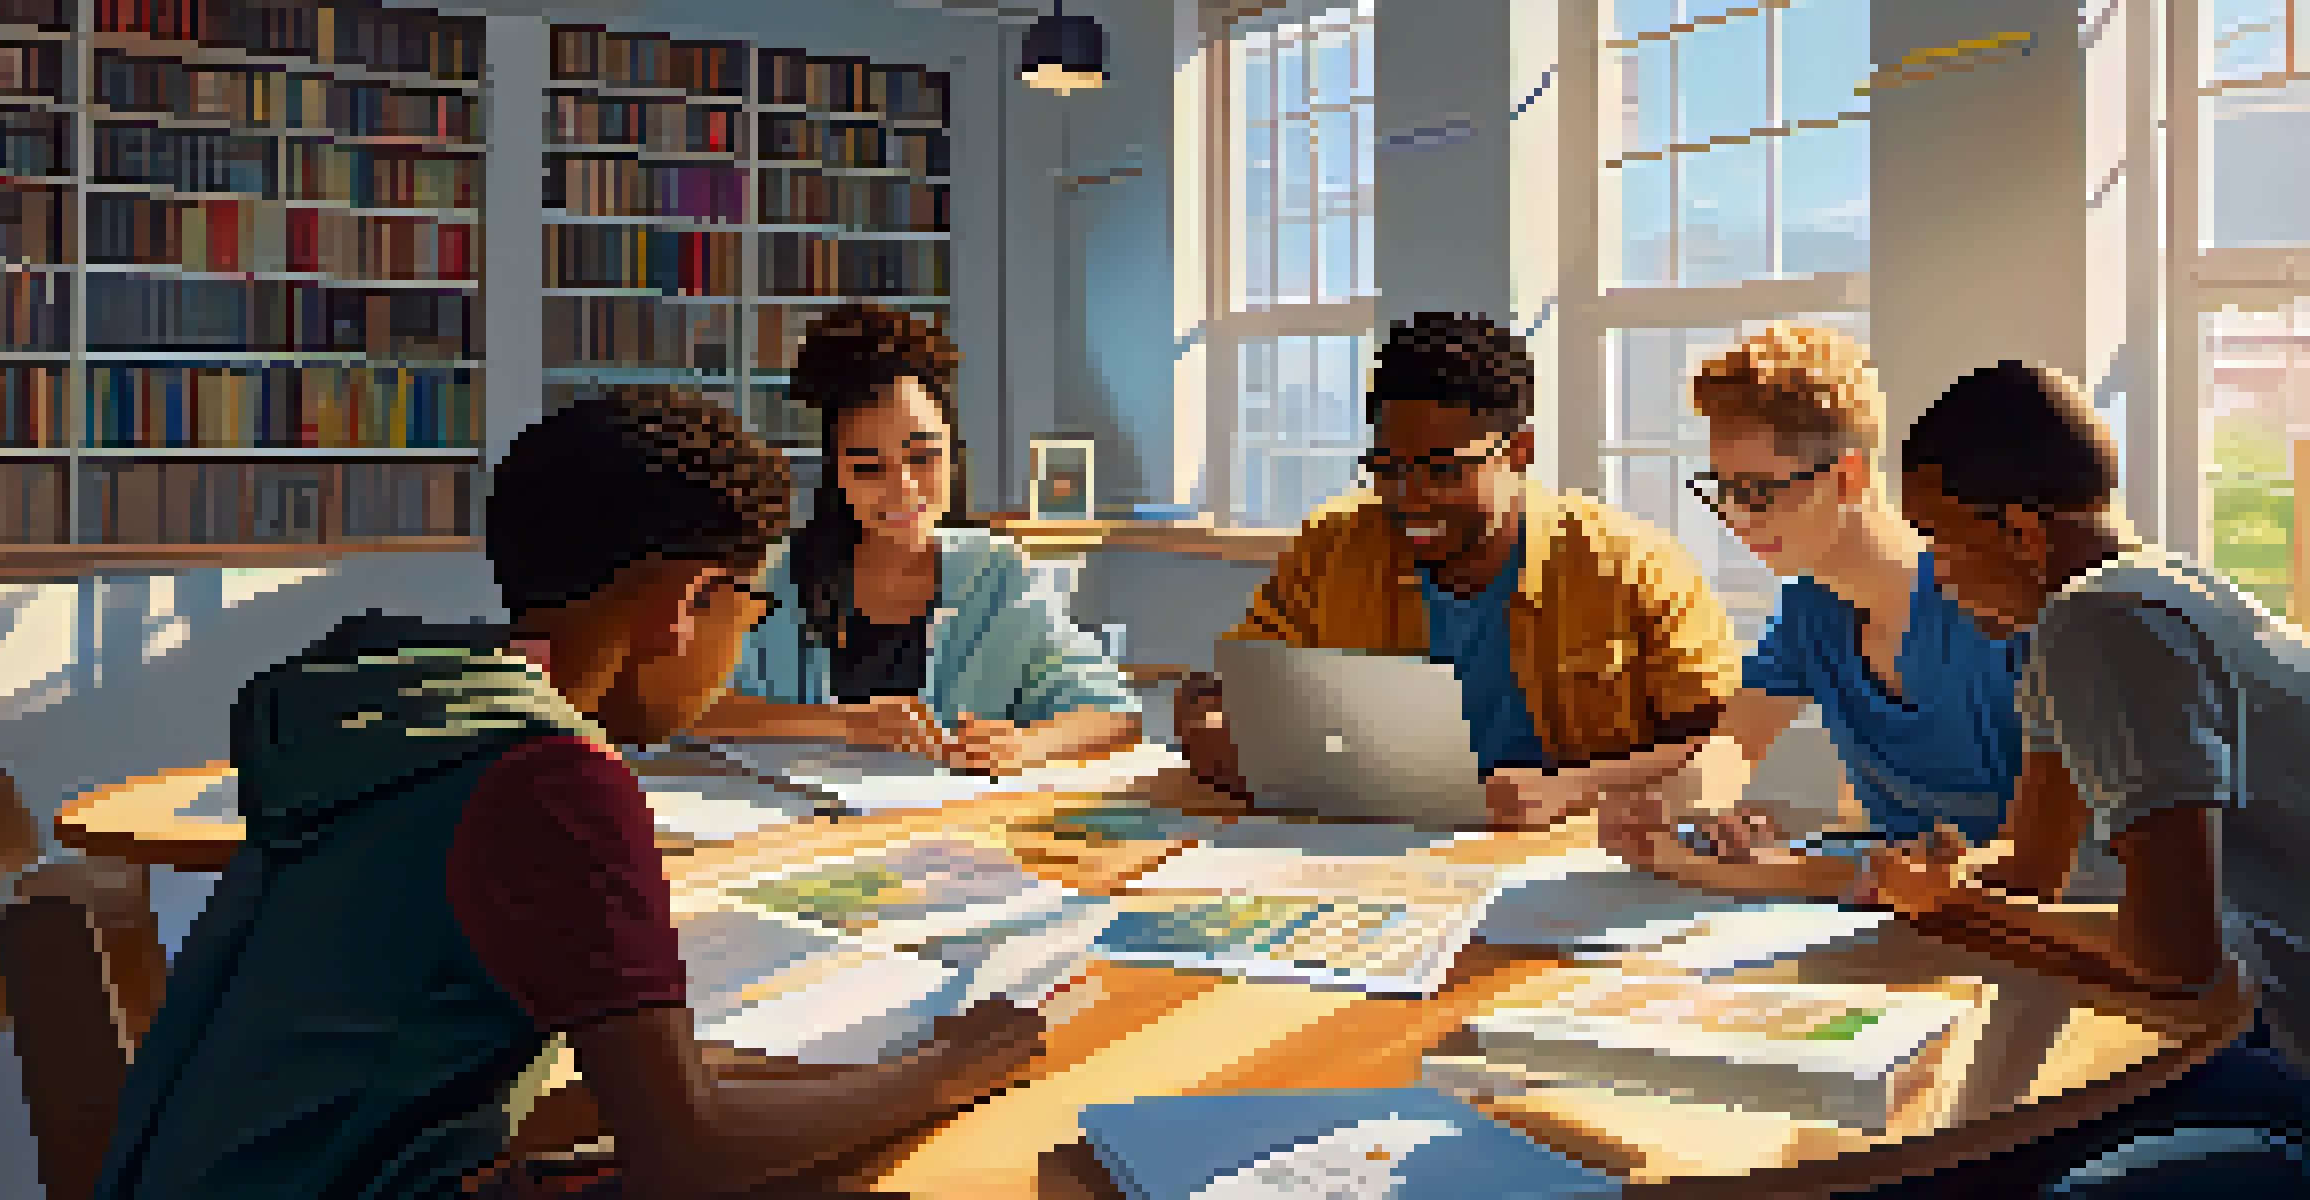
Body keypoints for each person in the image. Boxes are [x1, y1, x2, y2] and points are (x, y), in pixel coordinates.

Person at [91, 392, 1045, 1200]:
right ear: (685, 605)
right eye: (749, 605)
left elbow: (629, 1072)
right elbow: (688, 1147)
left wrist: (876, 1072)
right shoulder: (553, 783)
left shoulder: (418, 703)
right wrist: (947, 1070)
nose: (741, 641)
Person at [1854, 360, 2309, 1195]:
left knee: (1914, 1164)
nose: (1937, 576)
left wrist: (1955, 905)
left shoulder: (2101, 621)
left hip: (2281, 1060)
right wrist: (1947, 877)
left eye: (1944, 542)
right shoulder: (2134, 598)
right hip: (2249, 1019)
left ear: (2023, 531)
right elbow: (2034, 869)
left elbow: (2176, 960)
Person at [1175, 311, 1742, 829]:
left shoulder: (1634, 567)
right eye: (1387, 469)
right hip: (1375, 853)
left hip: (1568, 865)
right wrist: (1216, 737)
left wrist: (1571, 790)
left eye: (1443, 472)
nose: (1411, 499)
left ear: (1520, 451)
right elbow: (1232, 694)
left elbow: (1727, 748)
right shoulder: (1333, 548)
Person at [1598, 324, 2085, 902]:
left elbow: (2039, 860)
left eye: (1758, 490)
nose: (1734, 517)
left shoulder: (1993, 604)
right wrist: (1677, 805)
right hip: (1900, 920)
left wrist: (1760, 871)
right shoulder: (1810, 608)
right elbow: (1734, 742)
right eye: (1721, 489)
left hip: (2029, 924)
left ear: (1847, 476)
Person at [688, 304, 1141, 774]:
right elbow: (688, 707)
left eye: (923, 457)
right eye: (868, 467)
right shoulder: (774, 574)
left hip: (947, 831)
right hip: (793, 825)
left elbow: (1114, 713)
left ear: (953, 455)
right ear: (836, 474)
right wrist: (845, 722)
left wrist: (1025, 744)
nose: (902, 487)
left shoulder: (1000, 574)